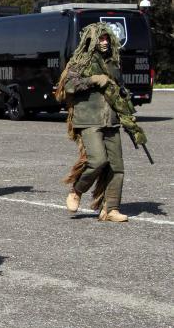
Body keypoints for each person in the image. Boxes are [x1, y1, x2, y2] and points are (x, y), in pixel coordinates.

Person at [57, 22, 148, 222]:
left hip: (111, 120)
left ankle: (110, 208)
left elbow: (119, 91)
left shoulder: (113, 63)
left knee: (117, 167)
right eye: (101, 38)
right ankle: (77, 190)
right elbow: (69, 86)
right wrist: (93, 80)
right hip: (88, 119)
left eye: (107, 38)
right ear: (91, 40)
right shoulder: (79, 61)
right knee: (98, 160)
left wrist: (128, 115)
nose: (105, 42)